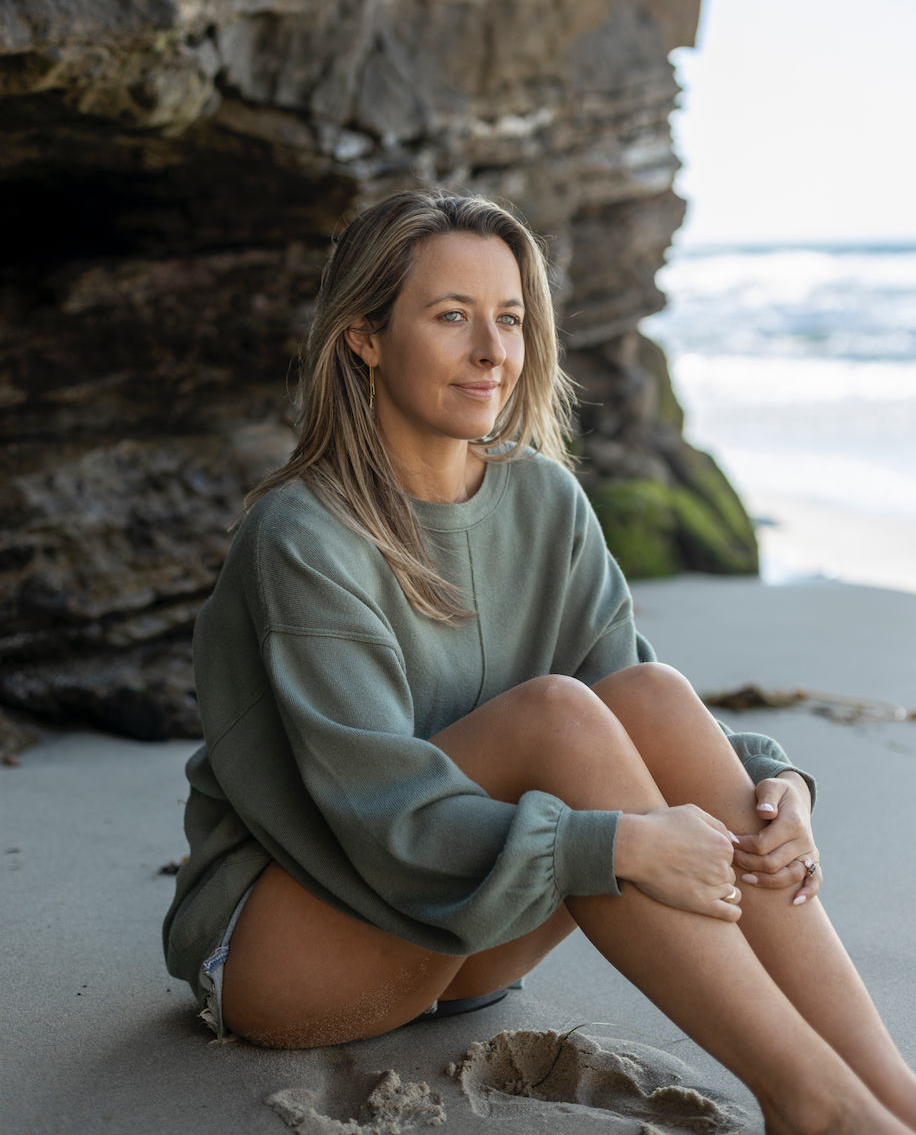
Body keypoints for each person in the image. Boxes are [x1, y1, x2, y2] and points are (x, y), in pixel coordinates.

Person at [164, 191, 916, 1135]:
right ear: (363, 336)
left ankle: (888, 1089)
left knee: (639, 692)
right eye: (451, 317)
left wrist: (777, 789)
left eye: (510, 319)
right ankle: (815, 1105)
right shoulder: (304, 536)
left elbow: (639, 702)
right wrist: (622, 845)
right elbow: (380, 811)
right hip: (298, 944)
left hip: (470, 934)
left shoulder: (544, 499)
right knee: (558, 714)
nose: (493, 352)